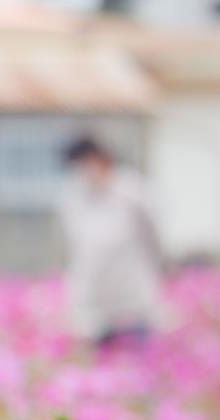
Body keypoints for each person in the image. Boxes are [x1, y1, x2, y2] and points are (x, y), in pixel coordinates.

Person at [57, 135, 165, 348]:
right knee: (101, 356)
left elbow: (152, 234)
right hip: (93, 292)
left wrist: (159, 265)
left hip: (132, 286)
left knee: (139, 352)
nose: (83, 172)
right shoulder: (72, 196)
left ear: (100, 158)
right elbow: (75, 246)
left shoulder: (133, 190)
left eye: (85, 163)